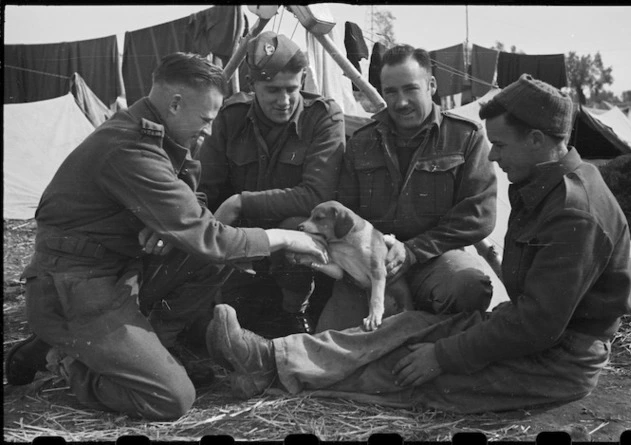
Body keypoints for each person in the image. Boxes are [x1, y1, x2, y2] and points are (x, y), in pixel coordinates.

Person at [206, 73, 631, 413]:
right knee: (409, 325)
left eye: (501, 145)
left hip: (560, 360)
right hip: (527, 331)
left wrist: (444, 357)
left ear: (537, 140)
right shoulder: (545, 183)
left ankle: (268, 370)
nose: (493, 156)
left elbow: (539, 326)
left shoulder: (574, 210)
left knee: (409, 370)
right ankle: (273, 355)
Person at [3, 52, 327, 421]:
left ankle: (153, 346)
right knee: (171, 398)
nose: (207, 129)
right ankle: (63, 359)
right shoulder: (131, 146)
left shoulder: (155, 131)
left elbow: (191, 205)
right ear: (175, 103)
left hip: (116, 271)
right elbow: (209, 234)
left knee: (213, 260)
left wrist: (164, 226)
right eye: (205, 119)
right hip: (76, 286)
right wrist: (284, 238)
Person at [315, 44, 497, 332]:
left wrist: (412, 251)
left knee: (468, 285)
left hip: (434, 262)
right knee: (327, 344)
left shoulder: (465, 137)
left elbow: (478, 215)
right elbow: (346, 211)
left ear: (431, 86)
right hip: (372, 264)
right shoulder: (361, 141)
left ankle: (433, 344)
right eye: (391, 92)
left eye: (410, 89)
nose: (400, 102)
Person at [197, 31, 345, 336]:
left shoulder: (323, 118)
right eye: (272, 90)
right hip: (243, 242)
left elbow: (317, 195)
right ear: (252, 86)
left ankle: (296, 312)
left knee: (297, 226)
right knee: (224, 324)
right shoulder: (231, 118)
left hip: (297, 248)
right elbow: (204, 188)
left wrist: (241, 201)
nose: (284, 100)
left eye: (292, 89)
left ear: (303, 79)